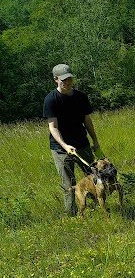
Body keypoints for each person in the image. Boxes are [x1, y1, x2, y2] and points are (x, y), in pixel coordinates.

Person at [43, 64, 101, 216]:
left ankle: (98, 207)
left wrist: (95, 141)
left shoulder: (81, 97)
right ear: (56, 79)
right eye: (64, 80)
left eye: (69, 79)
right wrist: (65, 145)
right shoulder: (51, 100)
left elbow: (87, 120)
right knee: (69, 183)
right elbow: (53, 127)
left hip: (82, 144)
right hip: (61, 149)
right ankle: (72, 215)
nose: (67, 82)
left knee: (94, 176)